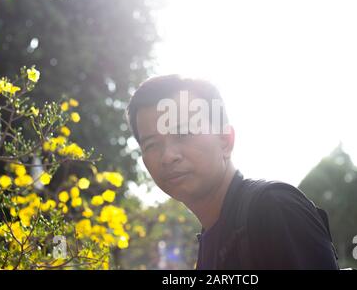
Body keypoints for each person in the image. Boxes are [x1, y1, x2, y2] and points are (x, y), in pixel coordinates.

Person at [126, 74, 339, 269]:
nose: (167, 156)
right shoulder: (211, 238)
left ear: (225, 140)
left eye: (183, 133)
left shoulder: (273, 209)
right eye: (152, 145)